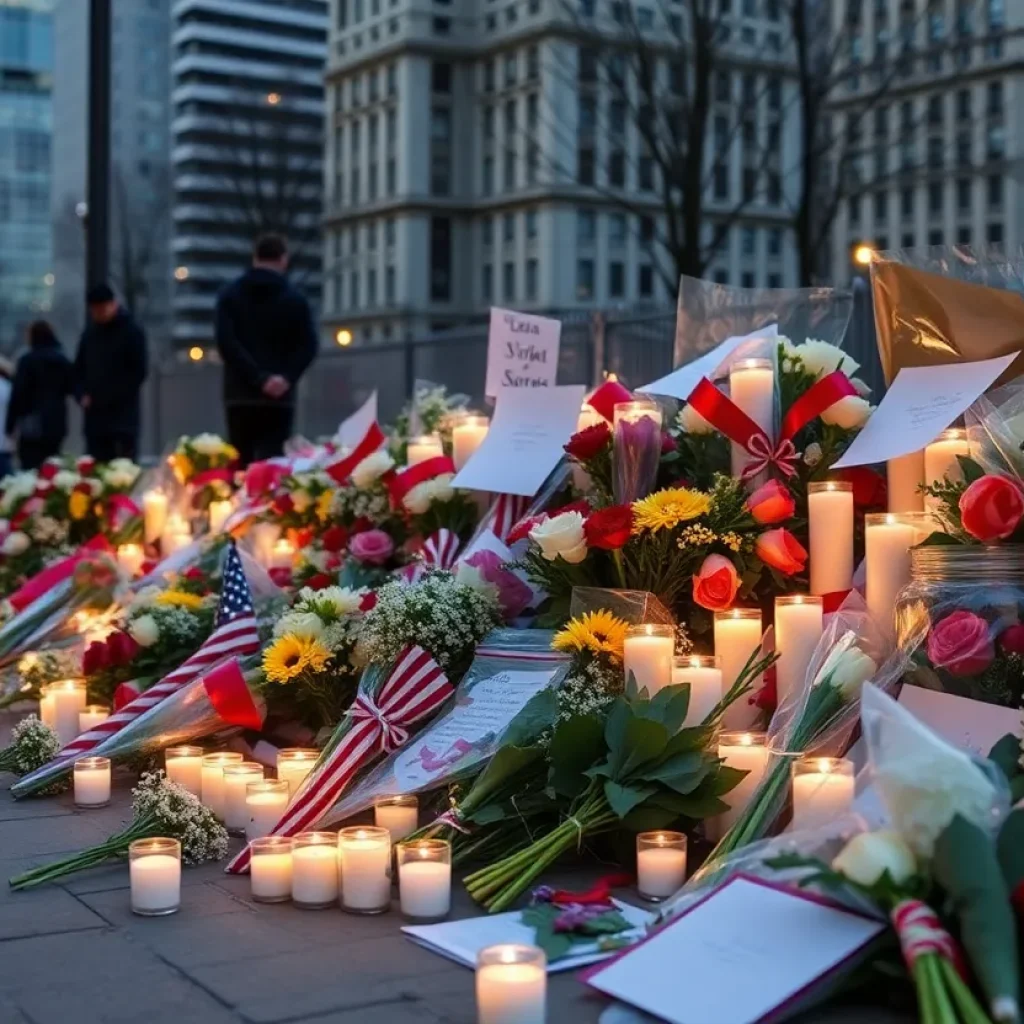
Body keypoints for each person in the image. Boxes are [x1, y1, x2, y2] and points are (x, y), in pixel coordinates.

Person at [215, 234, 319, 466]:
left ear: (255, 258)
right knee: (273, 466)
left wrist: (257, 378)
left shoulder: (229, 296)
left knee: (240, 462)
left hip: (240, 395)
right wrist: (285, 378)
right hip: (279, 399)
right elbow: (308, 345)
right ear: (283, 259)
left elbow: (227, 343)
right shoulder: (296, 300)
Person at [74, 283, 148, 461]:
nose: (99, 314)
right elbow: (78, 370)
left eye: (102, 309)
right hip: (95, 418)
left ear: (113, 304)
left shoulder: (131, 332)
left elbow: (138, 371)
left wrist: (113, 395)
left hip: (122, 418)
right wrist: (81, 395)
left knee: (124, 468)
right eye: (95, 310)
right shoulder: (90, 334)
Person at [6, 321, 74, 470]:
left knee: (30, 469)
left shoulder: (26, 361)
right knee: (53, 467)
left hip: (31, 424)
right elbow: (72, 387)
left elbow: (17, 395)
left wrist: (9, 426)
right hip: (56, 422)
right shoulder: (61, 360)